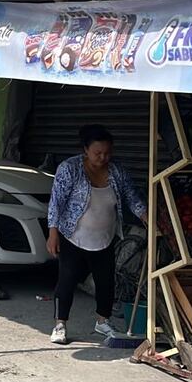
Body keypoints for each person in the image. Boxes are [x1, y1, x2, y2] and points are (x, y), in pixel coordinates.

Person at [47, 124, 147, 344]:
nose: (103, 157)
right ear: (85, 150)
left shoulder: (116, 171)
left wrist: (146, 217)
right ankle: (60, 324)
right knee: (67, 280)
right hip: (72, 235)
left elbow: (132, 196)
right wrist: (53, 232)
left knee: (106, 282)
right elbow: (56, 202)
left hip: (105, 236)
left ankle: (102, 321)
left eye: (107, 153)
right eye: (97, 153)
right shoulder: (69, 169)